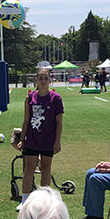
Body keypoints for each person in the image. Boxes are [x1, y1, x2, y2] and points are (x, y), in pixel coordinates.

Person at [17, 69, 63, 211]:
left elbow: (59, 123)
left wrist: (57, 141)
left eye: (46, 78)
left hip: (48, 139)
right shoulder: (30, 98)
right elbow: (26, 120)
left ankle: (44, 200)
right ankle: (25, 200)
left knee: (45, 168)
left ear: (49, 80)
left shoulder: (56, 98)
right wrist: (22, 138)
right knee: (29, 168)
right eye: (41, 78)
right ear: (36, 80)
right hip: (32, 138)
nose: (43, 81)